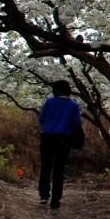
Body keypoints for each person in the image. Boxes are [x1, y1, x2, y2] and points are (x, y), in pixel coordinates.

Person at [38, 79, 83, 212]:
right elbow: (77, 124)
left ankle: (44, 195)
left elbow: (41, 119)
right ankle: (56, 200)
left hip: (47, 138)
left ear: (55, 90)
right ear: (68, 90)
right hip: (63, 139)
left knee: (45, 166)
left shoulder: (49, 102)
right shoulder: (73, 105)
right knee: (59, 169)